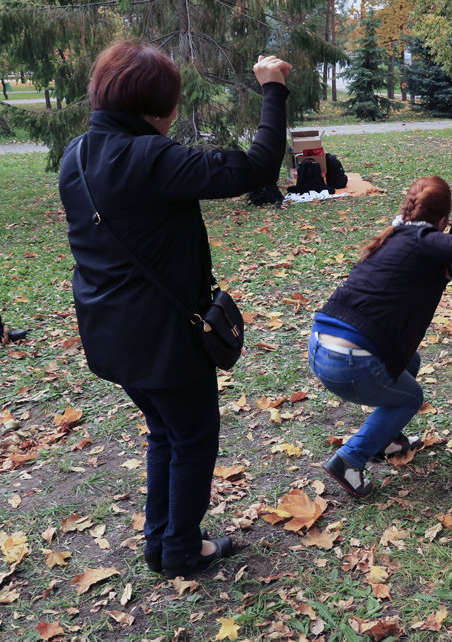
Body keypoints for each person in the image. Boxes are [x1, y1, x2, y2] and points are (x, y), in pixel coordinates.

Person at [58, 41, 292, 578]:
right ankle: (183, 549)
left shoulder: (77, 154)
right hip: (163, 340)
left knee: (165, 432)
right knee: (192, 438)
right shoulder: (150, 157)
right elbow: (257, 168)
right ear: (156, 108)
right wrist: (272, 87)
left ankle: (161, 540)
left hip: (111, 335)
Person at [309, 176, 452, 498]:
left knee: (409, 362)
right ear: (442, 220)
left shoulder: (397, 236)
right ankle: (349, 459)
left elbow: (431, 271)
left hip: (321, 345)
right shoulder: (423, 240)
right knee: (411, 396)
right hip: (348, 362)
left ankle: (387, 440)